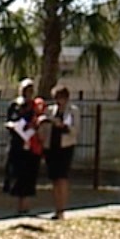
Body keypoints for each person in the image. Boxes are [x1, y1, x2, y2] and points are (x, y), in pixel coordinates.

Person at [3, 78, 41, 214]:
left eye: (30, 90)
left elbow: (40, 122)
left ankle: (26, 205)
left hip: (31, 145)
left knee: (29, 175)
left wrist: (34, 125)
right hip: (17, 144)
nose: (27, 93)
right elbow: (9, 121)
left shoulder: (36, 106)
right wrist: (13, 126)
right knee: (17, 174)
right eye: (25, 90)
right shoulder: (14, 105)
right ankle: (19, 205)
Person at [41, 85, 76, 219]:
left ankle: (62, 209)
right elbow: (44, 126)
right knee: (54, 179)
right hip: (52, 147)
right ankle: (56, 207)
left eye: (61, 98)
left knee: (62, 177)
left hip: (66, 146)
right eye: (56, 98)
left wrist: (63, 126)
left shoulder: (73, 111)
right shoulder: (50, 110)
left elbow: (75, 130)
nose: (59, 101)